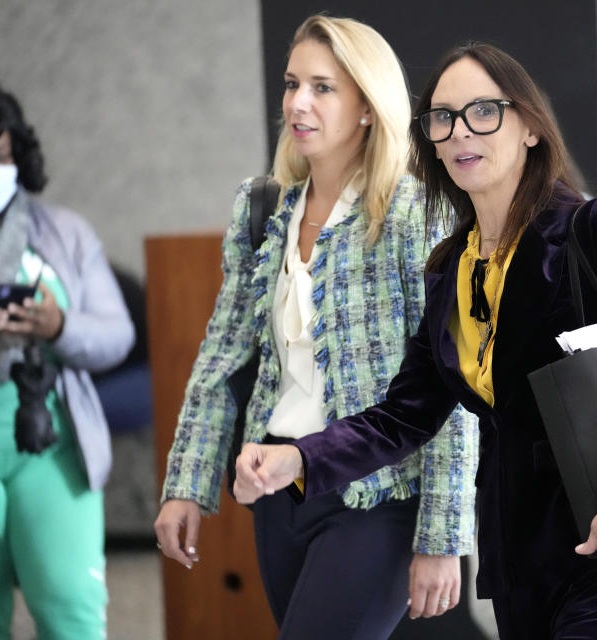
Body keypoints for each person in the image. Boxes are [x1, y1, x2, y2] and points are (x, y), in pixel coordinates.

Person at [234, 43, 597, 639]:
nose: (461, 132)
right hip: (519, 560)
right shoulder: (450, 270)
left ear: (531, 129)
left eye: (482, 112)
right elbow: (403, 418)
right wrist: (301, 457)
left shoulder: (591, 229)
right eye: (443, 118)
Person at [154, 15, 479, 639]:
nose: (298, 102)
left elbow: (453, 389)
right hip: (277, 497)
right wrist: (186, 485)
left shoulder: (417, 214)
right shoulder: (263, 208)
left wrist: (443, 537)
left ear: (366, 105)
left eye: (323, 87)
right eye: (291, 83)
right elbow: (219, 361)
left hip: (377, 499)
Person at [0, 78, 134, 639]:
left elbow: (116, 336)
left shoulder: (65, 234)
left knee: (71, 606)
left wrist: (60, 325)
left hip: (53, 442)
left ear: (18, 156)